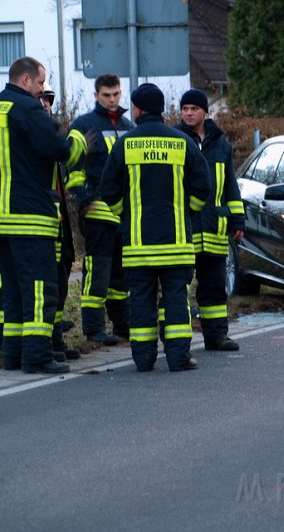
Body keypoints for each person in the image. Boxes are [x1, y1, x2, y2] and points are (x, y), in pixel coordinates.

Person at [0, 57, 86, 374]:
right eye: (40, 83)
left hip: (1, 216)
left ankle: (13, 355)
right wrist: (80, 140)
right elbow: (59, 149)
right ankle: (37, 357)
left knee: (13, 290)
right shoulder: (27, 108)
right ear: (25, 80)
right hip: (31, 215)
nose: (42, 90)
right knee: (40, 288)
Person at [100, 83, 211, 372]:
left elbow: (108, 189)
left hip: (138, 245)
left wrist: (126, 216)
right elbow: (203, 186)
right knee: (176, 300)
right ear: (162, 109)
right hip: (176, 244)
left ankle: (144, 359)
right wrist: (186, 212)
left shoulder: (125, 143)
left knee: (141, 301)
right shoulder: (181, 141)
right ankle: (178, 358)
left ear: (137, 109)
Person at [176, 89, 245, 351]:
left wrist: (237, 220)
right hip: (186, 227)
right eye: (185, 109)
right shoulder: (176, 140)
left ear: (206, 111)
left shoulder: (221, 144)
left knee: (215, 287)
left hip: (215, 229)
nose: (189, 113)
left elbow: (231, 186)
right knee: (178, 286)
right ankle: (177, 340)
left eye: (194, 108)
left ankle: (216, 336)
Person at [67, 73, 134, 346]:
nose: (112, 99)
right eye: (106, 95)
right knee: (97, 271)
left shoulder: (129, 126)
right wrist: (84, 198)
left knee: (121, 275)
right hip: (96, 213)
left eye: (116, 94)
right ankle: (94, 328)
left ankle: (122, 325)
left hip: (124, 215)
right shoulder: (84, 125)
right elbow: (71, 168)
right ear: (96, 96)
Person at [40, 82, 80, 361]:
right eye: (41, 97)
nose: (46, 103)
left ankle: (55, 336)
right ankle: (50, 340)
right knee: (49, 282)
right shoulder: (33, 131)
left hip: (58, 217)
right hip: (41, 219)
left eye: (49, 98)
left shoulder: (47, 129)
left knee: (61, 277)